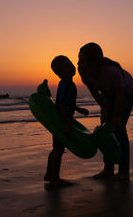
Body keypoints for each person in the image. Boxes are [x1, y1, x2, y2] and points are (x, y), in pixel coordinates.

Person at [78, 43, 133, 181]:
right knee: (105, 129)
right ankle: (108, 170)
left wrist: (116, 115)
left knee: (118, 129)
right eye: (78, 58)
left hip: (126, 92)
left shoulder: (111, 71)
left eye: (81, 59)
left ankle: (124, 172)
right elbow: (94, 91)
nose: (78, 62)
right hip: (107, 93)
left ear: (93, 62)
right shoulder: (82, 70)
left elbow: (120, 93)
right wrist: (104, 108)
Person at [44, 55, 89, 186]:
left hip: (63, 120)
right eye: (67, 65)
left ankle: (49, 174)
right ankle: (55, 178)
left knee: (56, 148)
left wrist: (78, 109)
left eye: (70, 63)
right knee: (58, 149)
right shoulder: (64, 84)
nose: (71, 66)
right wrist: (66, 124)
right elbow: (61, 105)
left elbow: (68, 102)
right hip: (62, 121)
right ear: (60, 72)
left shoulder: (69, 83)